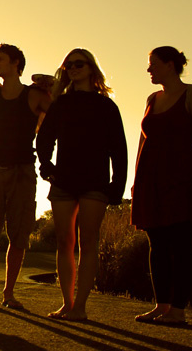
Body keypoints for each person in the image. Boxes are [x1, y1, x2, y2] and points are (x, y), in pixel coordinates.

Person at [130, 46, 192, 326]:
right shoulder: (151, 99)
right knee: (156, 244)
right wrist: (136, 182)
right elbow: (143, 143)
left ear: (171, 65)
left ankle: (179, 310)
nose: (149, 69)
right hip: (151, 180)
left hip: (181, 180)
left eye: (153, 64)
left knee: (180, 244)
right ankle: (162, 306)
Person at [36, 48, 127, 321]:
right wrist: (46, 164)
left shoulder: (106, 106)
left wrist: (117, 187)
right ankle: (67, 303)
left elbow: (119, 149)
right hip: (63, 180)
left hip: (95, 183)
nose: (73, 68)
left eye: (79, 64)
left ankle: (81, 308)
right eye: (68, 65)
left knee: (89, 243)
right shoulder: (60, 104)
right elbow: (44, 139)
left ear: (91, 68)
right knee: (65, 242)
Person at [0, 43, 51, 309]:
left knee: (19, 233)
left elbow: (61, 113)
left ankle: (9, 294)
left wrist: (53, 84)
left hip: (23, 171)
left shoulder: (34, 96)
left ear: (16, 63)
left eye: (1, 60)